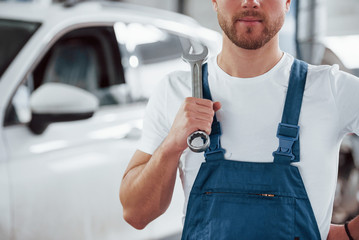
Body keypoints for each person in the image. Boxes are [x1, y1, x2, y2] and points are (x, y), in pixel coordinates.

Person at [120, 0, 359, 239]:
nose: (250, 2)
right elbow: (136, 214)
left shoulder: (331, 89)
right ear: (214, 1)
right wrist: (171, 145)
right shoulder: (175, 90)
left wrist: (349, 233)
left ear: (287, 2)